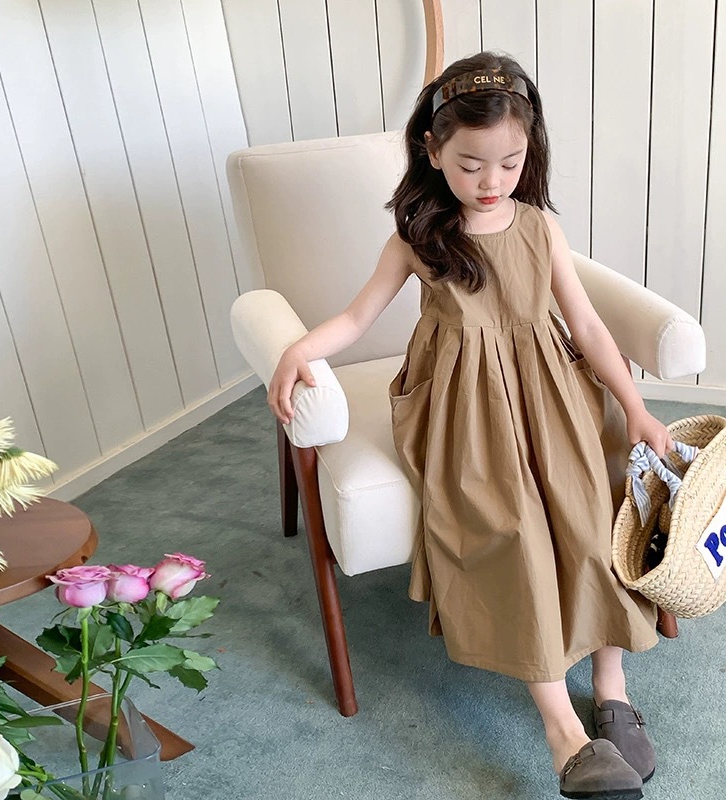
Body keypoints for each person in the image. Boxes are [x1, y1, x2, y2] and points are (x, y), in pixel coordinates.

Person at [267, 52, 672, 800]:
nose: (491, 182)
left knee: (593, 518)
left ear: (529, 152)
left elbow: (586, 325)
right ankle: (563, 732)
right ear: (432, 151)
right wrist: (298, 349)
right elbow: (357, 317)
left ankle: (611, 689)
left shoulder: (539, 226)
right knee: (511, 535)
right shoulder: (418, 237)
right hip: (465, 407)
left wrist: (639, 408)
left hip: (552, 393)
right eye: (470, 165)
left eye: (509, 164)